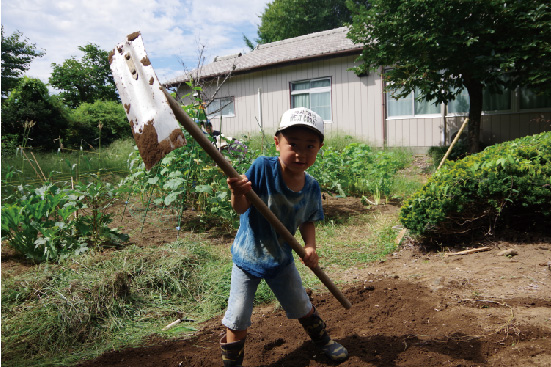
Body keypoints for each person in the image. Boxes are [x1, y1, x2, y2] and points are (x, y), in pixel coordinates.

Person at [220, 107, 349, 366]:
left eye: (310, 146)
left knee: (301, 305)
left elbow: (308, 219)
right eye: (293, 144)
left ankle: (324, 342)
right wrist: (238, 192)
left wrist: (310, 247)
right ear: (278, 142)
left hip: (281, 259)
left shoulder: (311, 186)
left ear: (319, 148)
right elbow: (241, 208)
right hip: (248, 257)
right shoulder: (262, 168)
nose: (301, 153)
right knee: (238, 315)